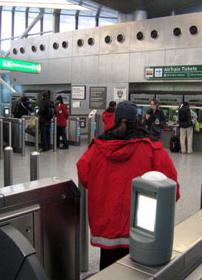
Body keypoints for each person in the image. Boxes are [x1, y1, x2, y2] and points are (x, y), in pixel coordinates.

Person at [77, 100, 180, 271]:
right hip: (141, 231)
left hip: (107, 227)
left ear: (116, 119)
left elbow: (84, 175)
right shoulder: (152, 148)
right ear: (137, 119)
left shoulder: (97, 147)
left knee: (108, 270)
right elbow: (171, 187)